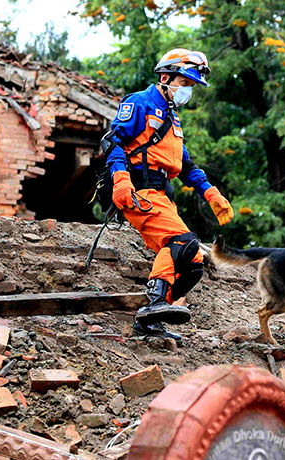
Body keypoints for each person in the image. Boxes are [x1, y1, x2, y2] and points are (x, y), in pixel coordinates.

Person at [101, 49, 234, 341]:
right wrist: (121, 180)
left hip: (163, 196)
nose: (188, 90)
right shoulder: (139, 103)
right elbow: (112, 141)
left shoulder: (173, 121)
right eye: (184, 83)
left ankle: (150, 320)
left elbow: (186, 167)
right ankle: (155, 301)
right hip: (139, 191)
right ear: (165, 77)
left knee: (194, 264)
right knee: (182, 243)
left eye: (191, 86)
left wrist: (211, 193)